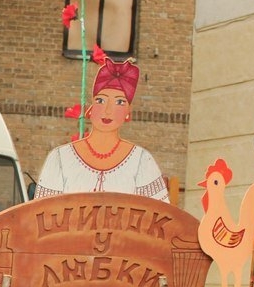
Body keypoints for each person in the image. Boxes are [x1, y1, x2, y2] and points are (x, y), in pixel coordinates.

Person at [33, 57, 170, 202]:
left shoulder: (141, 160)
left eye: (119, 102)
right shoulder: (60, 158)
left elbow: (160, 212)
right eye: (100, 100)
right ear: (91, 107)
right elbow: (40, 211)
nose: (108, 110)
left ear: (128, 111)